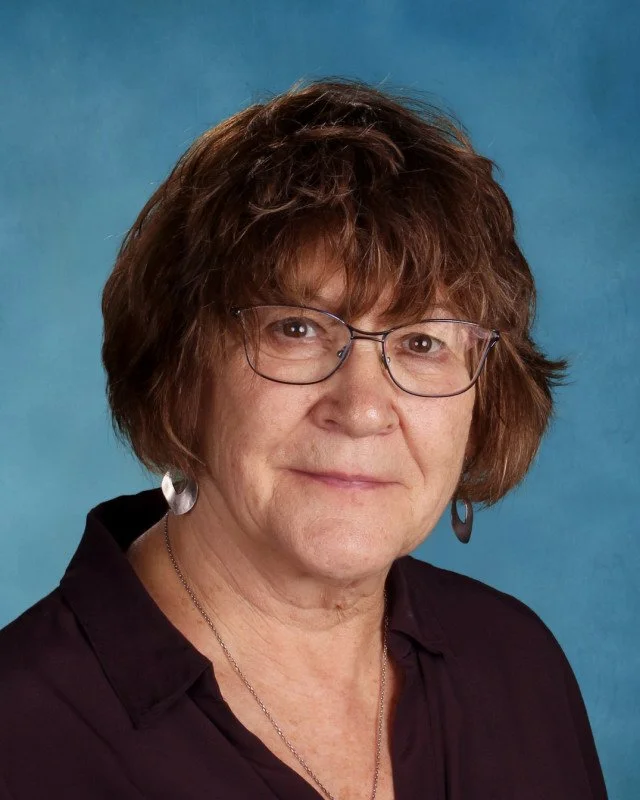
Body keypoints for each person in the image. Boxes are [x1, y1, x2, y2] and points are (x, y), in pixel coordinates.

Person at [0, 78, 608, 799]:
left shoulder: (513, 665)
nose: (362, 408)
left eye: (420, 342)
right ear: (181, 369)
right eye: (297, 328)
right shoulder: (24, 733)